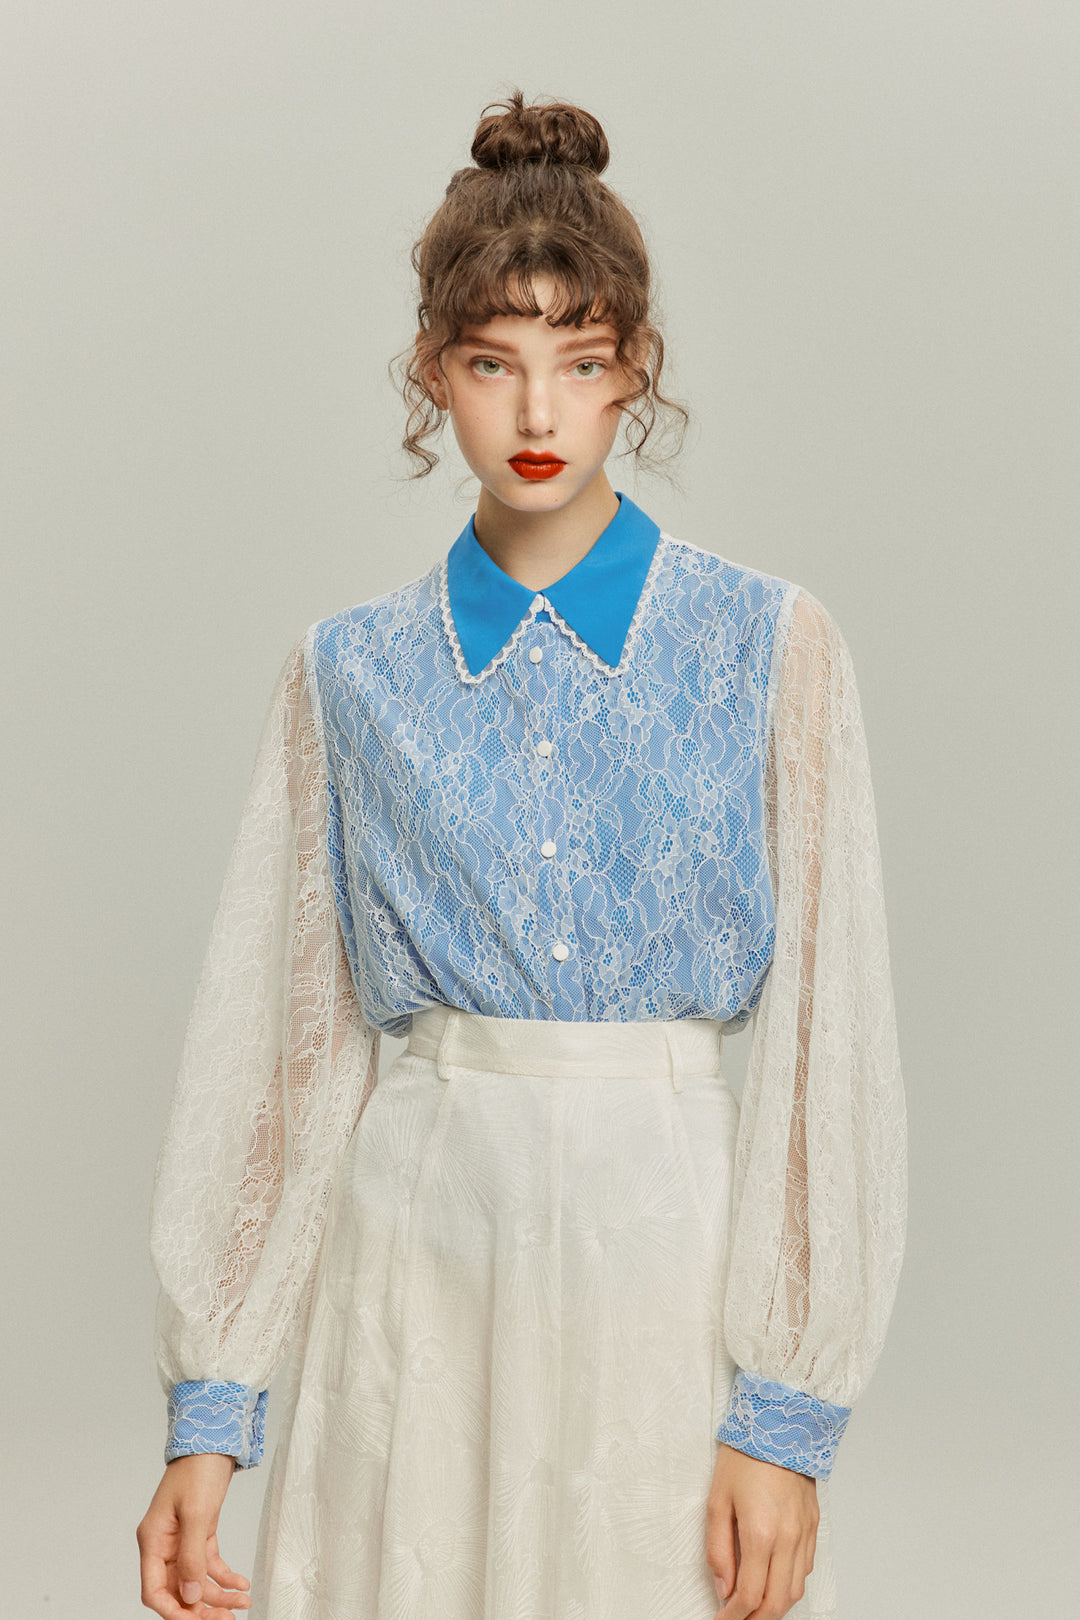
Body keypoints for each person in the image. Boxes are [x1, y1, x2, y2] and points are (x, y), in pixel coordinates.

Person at [137, 90, 907, 1620]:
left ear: (637, 371)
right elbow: (284, 1049)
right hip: (415, 1267)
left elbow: (835, 1036)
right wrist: (212, 1411)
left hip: (663, 1257)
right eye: (494, 363)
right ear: (434, 371)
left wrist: (787, 1417)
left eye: (581, 362)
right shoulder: (349, 674)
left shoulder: (767, 646)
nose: (537, 415)